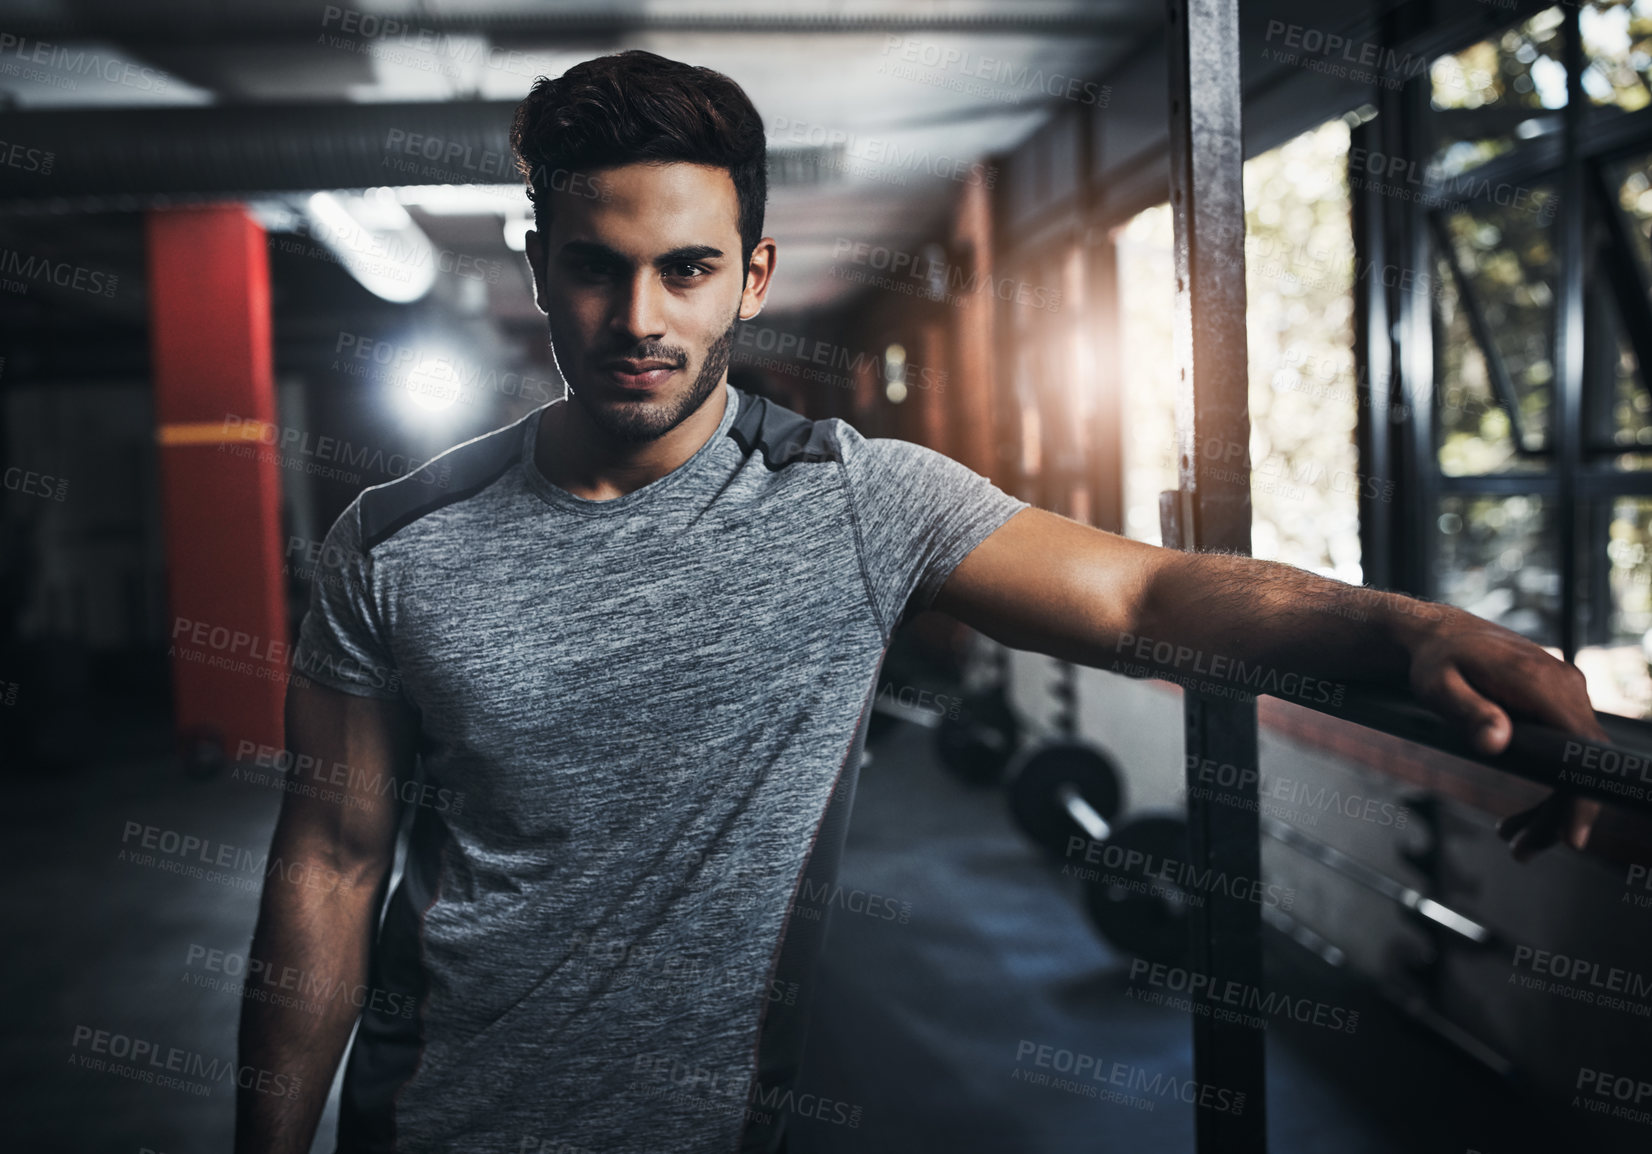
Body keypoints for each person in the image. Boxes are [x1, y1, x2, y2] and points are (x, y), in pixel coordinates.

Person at [235, 48, 1614, 1154]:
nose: (638, 316)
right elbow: (331, 865)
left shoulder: (852, 501)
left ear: (753, 278)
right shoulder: (396, 540)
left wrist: (1418, 628)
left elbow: (1142, 590)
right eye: (594, 267)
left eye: (687, 268)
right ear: (540, 268)